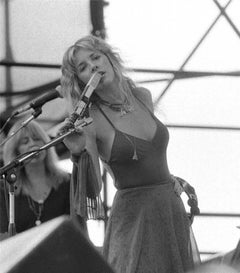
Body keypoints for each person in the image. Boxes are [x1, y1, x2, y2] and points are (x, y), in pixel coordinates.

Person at [60, 35, 198, 273]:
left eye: (96, 57)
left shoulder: (142, 96)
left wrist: (169, 179)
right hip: (133, 218)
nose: (93, 66)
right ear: (80, 81)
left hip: (169, 209)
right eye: (83, 67)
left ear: (109, 58)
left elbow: (149, 155)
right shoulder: (90, 121)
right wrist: (77, 154)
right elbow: (92, 192)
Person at [0, 120, 71, 237]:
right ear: (16, 151)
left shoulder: (66, 181)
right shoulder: (5, 188)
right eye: (25, 142)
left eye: (37, 139)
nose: (33, 144)